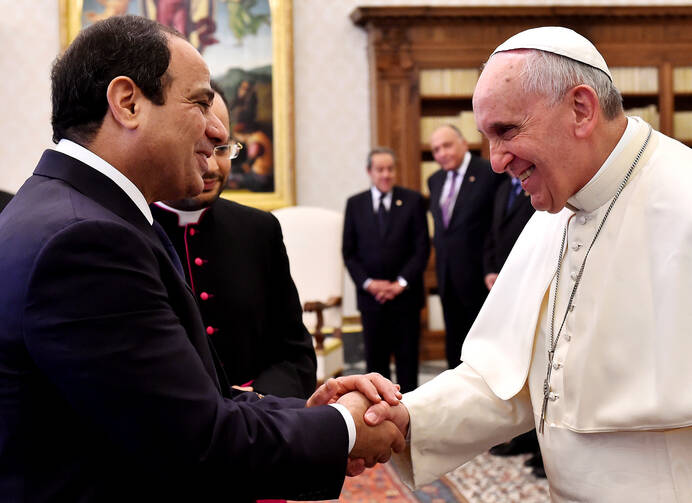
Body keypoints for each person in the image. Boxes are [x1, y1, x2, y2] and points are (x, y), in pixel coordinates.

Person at [0, 15, 404, 502]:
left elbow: (173, 406)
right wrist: (345, 428)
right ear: (128, 103)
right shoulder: (87, 240)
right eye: (199, 102)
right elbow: (197, 443)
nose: (219, 134)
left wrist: (307, 414)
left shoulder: (66, 207)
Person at [362, 26, 692, 501]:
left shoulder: (681, 194)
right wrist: (403, 418)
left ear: (581, 109)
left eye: (506, 131)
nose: (494, 162)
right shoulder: (555, 210)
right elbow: (506, 380)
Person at [152, 81, 316, 399]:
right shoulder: (129, 229)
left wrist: (257, 397)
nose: (212, 166)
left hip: (260, 427)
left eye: (222, 148)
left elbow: (297, 356)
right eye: (197, 148)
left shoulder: (259, 229)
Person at [342, 148, 430, 393]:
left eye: (390, 169)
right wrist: (370, 284)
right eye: (380, 169)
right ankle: (378, 419)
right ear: (370, 172)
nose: (386, 174)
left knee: (408, 365)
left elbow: (421, 249)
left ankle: (411, 418)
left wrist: (399, 284)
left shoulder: (413, 201)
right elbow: (349, 253)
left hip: (406, 298)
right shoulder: (355, 204)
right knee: (375, 366)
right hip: (371, 301)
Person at [427, 124, 501, 368]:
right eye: (436, 149)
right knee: (454, 343)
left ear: (463, 143)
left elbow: (495, 225)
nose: (442, 153)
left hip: (480, 276)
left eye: (447, 145)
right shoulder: (434, 179)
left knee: (480, 348)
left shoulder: (488, 172)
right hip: (447, 276)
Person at [483, 175, 542, 475]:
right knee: (515, 367)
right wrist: (491, 269)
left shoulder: (542, 184)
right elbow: (493, 233)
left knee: (538, 367)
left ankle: (543, 450)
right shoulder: (504, 187)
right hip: (504, 288)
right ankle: (522, 438)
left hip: (531, 285)